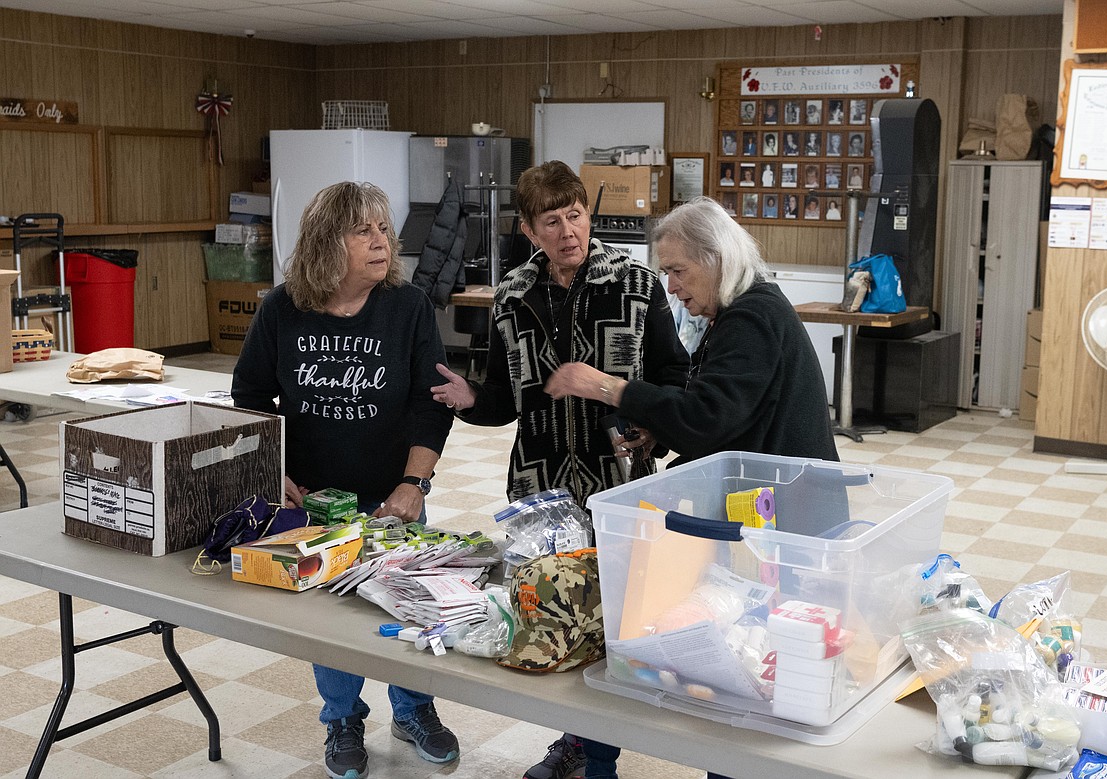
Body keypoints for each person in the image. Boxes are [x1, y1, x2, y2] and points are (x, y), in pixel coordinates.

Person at [546, 198, 839, 778]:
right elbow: (730, 417)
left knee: (758, 662)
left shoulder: (752, 316)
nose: (672, 286)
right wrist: (661, 430)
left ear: (715, 256)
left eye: (679, 270)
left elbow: (711, 414)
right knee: (744, 657)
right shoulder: (744, 310)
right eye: (666, 272)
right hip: (769, 507)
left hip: (791, 519)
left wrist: (608, 387)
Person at [428, 161, 690, 779]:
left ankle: (603, 751)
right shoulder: (512, 295)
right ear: (528, 229)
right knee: (556, 614)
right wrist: (471, 401)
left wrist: (653, 426)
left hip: (621, 482)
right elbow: (502, 397)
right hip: (539, 489)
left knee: (622, 615)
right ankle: (579, 742)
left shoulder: (639, 285)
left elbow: (676, 383)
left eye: (576, 214)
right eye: (553, 220)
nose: (569, 230)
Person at [231, 181, 460, 779]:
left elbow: (431, 403)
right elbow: (250, 395)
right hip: (314, 501)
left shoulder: (407, 307)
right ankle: (342, 718)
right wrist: (272, 470)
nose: (381, 242)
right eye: (364, 230)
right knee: (330, 620)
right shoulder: (282, 308)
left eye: (384, 229)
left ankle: (415, 710)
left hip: (394, 496)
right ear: (328, 241)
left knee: (410, 608)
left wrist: (414, 485)